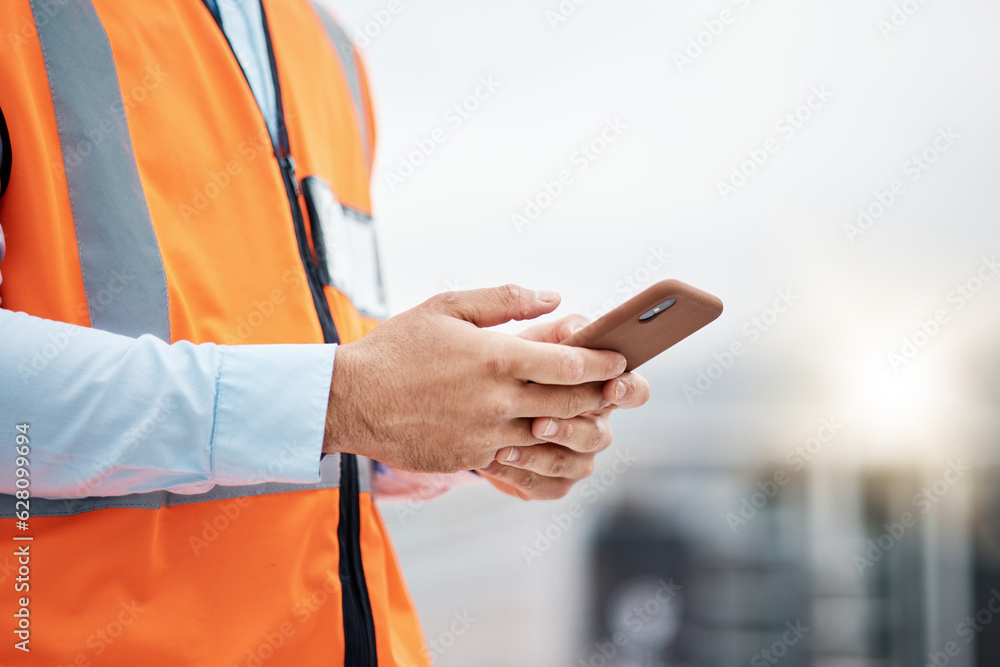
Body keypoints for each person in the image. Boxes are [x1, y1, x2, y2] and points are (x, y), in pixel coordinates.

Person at [0, 1, 650, 664]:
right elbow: (319, 397)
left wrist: (482, 422)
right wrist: (341, 399)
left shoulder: (325, 47)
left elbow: (310, 394)